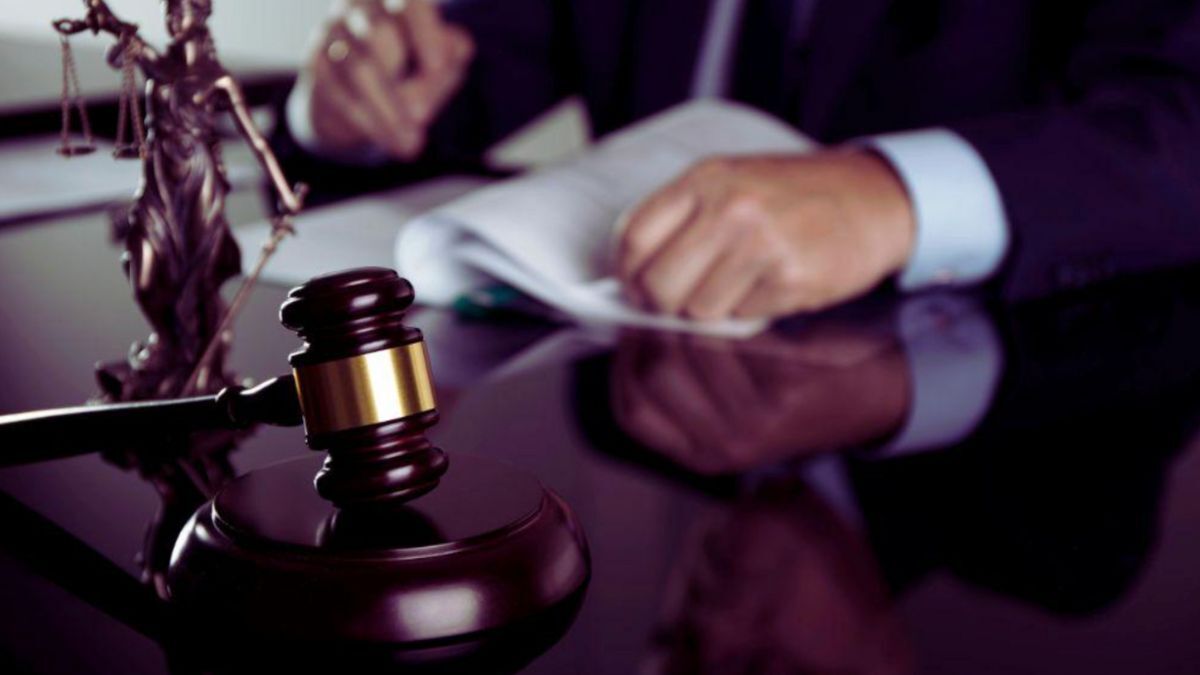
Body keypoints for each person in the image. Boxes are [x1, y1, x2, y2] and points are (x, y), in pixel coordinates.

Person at [282, 0, 1200, 321]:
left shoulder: (1051, 561)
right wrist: (348, 101)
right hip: (648, 344)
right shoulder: (623, 440)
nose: (712, 639)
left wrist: (895, 199)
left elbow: (1179, 120)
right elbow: (447, 74)